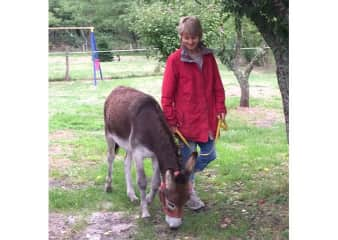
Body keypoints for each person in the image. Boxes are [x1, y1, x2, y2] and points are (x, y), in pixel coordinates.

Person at [161, 16, 227, 210]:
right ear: (181, 37)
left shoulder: (208, 58)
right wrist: (171, 121)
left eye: (194, 37)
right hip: (184, 124)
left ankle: (184, 182)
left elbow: (217, 87)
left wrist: (221, 108)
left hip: (207, 120)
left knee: (209, 154)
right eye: (186, 38)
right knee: (187, 158)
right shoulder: (174, 60)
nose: (190, 42)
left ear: (200, 36)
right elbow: (166, 96)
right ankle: (189, 194)